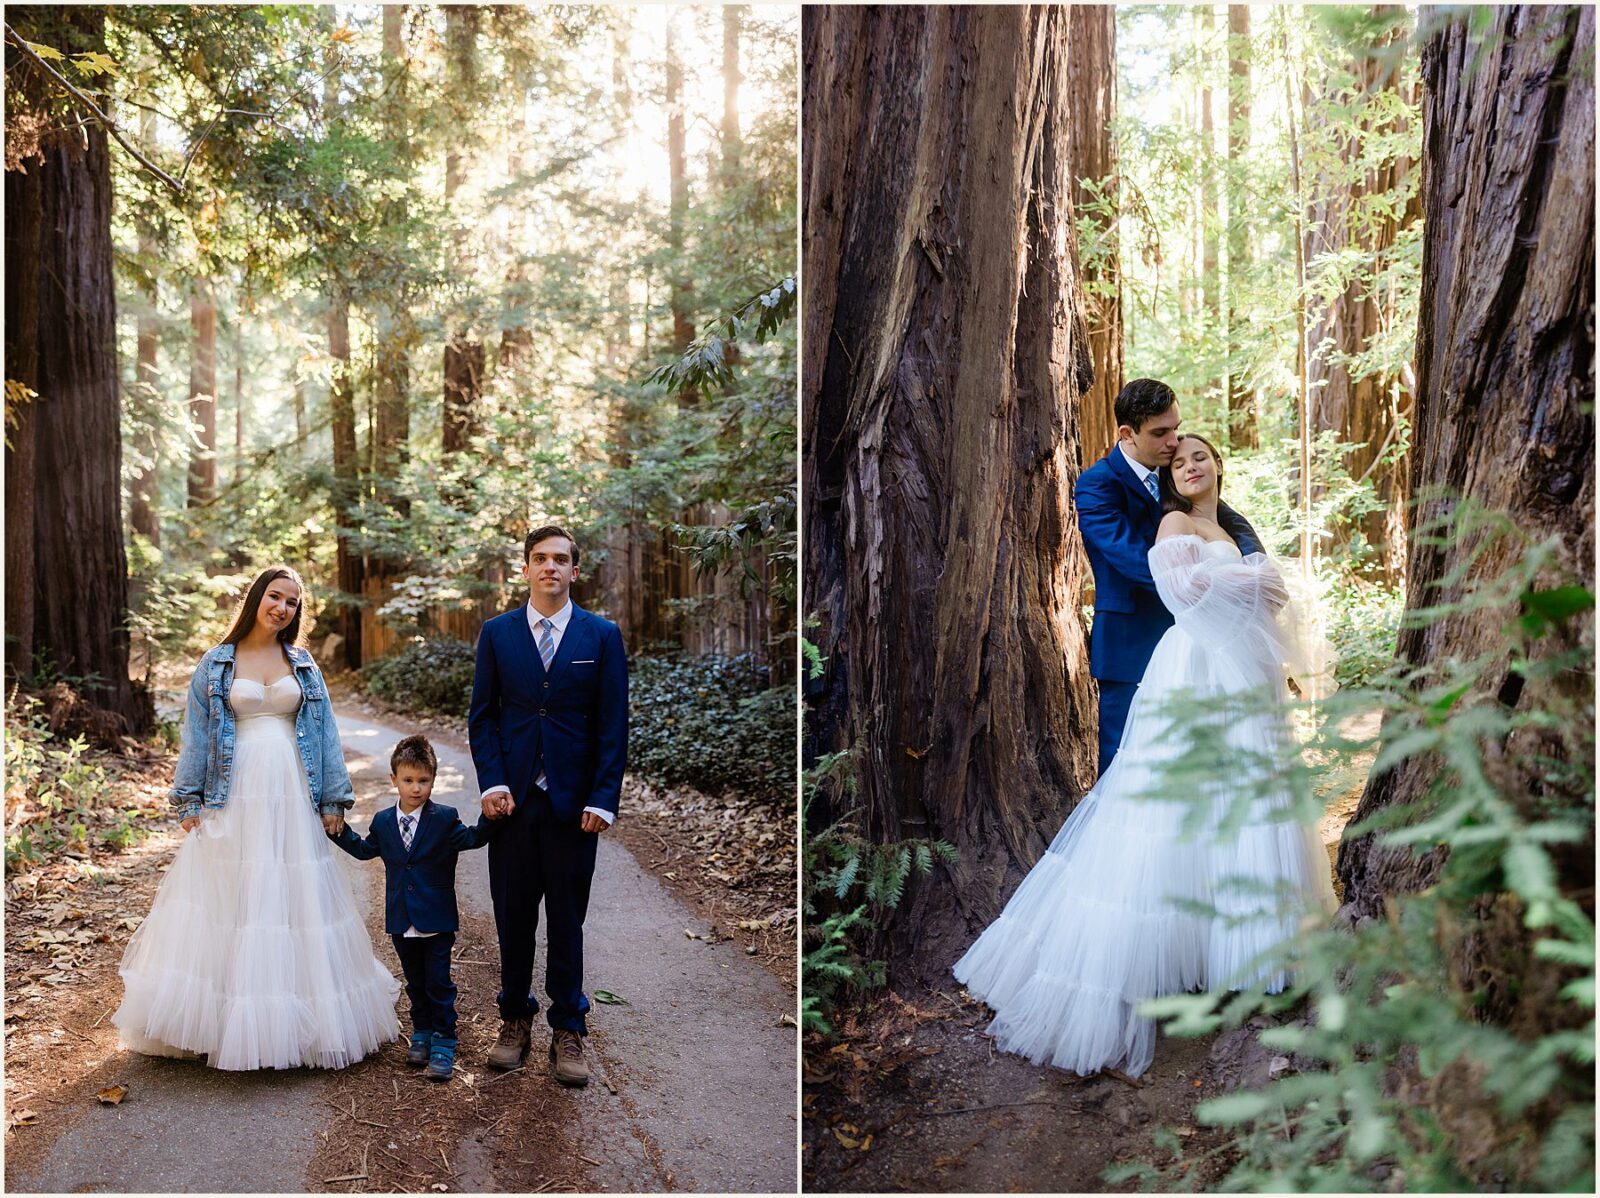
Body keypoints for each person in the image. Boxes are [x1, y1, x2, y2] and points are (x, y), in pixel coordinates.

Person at [953, 434, 1336, 1078]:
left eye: (1201, 456)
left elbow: (1273, 601)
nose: (1190, 464)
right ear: (1170, 476)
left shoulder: (1236, 529)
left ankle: (1249, 958)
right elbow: (1184, 597)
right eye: (1179, 459)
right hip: (1196, 672)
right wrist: (1247, 585)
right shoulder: (1173, 524)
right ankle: (1163, 962)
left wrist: (1248, 581)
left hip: (1246, 677)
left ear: (1218, 466)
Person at [114, 566, 399, 1070]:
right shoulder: (217, 663)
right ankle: (218, 1023)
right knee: (231, 898)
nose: (282, 608)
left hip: (291, 790)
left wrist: (334, 800)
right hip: (235, 791)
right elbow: (198, 735)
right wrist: (189, 800)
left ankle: (295, 1024)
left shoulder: (303, 663)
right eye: (275, 597)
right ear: (256, 599)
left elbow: (326, 733)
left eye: (292, 602)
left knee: (293, 898)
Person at [469, 524, 629, 1087]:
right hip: (511, 804)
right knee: (513, 917)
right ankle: (514, 1019)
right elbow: (483, 716)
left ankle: (569, 1027)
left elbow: (613, 725)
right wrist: (491, 784)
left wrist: (603, 799)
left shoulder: (601, 636)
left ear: (575, 571)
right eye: (540, 558)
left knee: (567, 919)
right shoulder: (497, 633)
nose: (550, 568)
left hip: (572, 806)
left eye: (561, 559)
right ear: (526, 568)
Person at [1075, 379, 1262, 775]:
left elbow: (1227, 521)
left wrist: (1252, 567)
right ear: (1127, 434)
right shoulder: (1097, 484)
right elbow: (1131, 558)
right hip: (1131, 646)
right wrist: (1206, 589)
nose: (1173, 441)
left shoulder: (1172, 469)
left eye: (1176, 427)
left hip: (1195, 644)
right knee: (1127, 766)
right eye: (1160, 432)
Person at [328, 734, 499, 1082]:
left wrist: (492, 817)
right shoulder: (383, 822)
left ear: (433, 780)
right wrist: (337, 832)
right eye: (408, 780)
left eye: (423, 781)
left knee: (438, 981)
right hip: (401, 917)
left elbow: (472, 838)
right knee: (415, 981)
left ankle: (444, 1039)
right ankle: (420, 1032)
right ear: (394, 780)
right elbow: (363, 850)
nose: (416, 788)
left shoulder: (444, 818)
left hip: (436, 918)